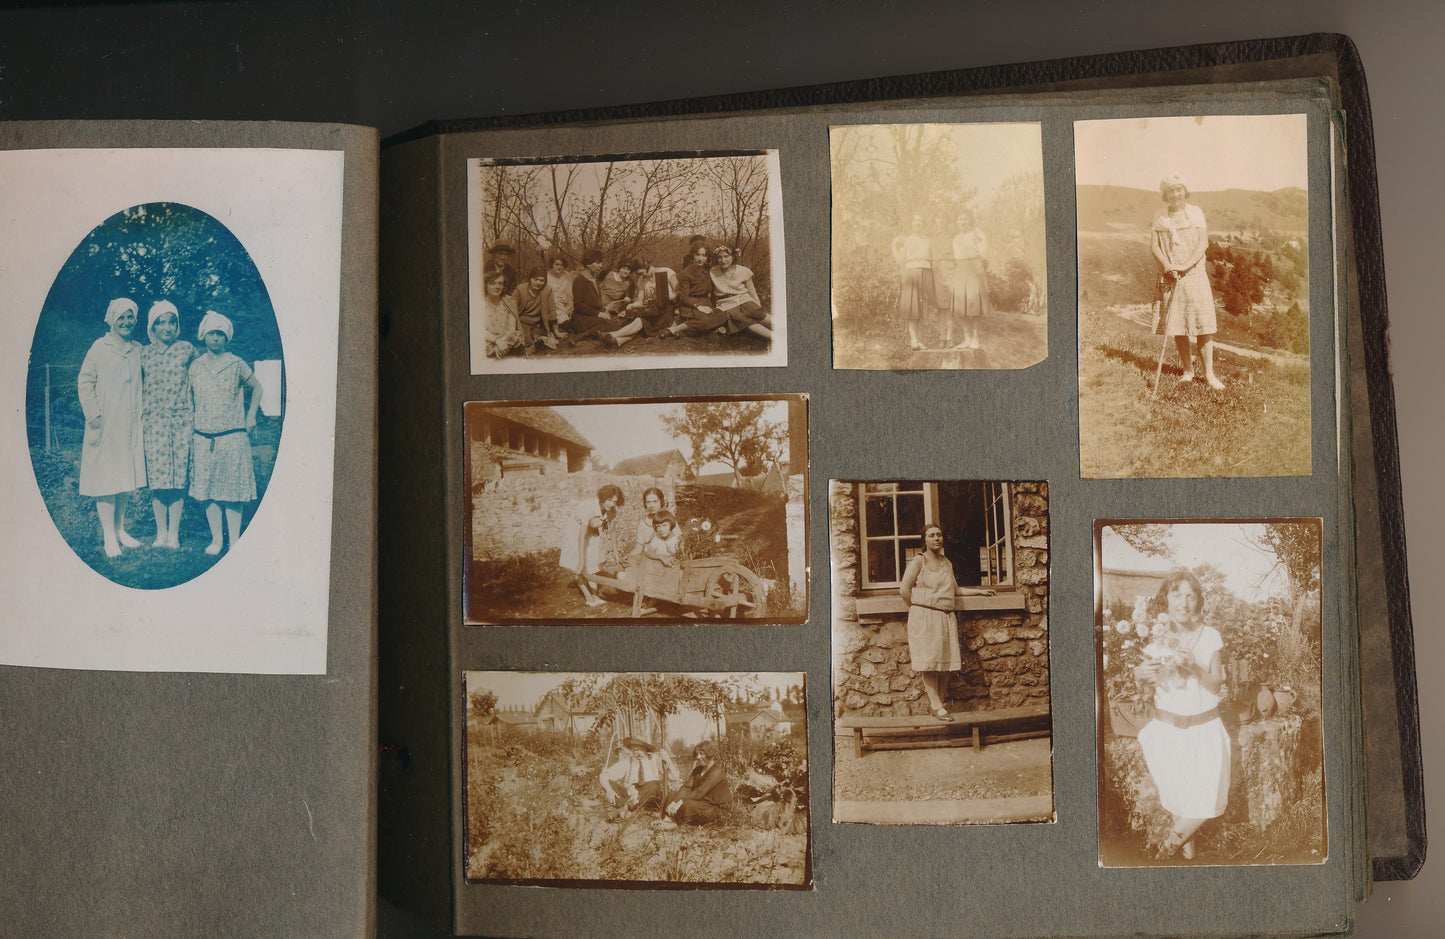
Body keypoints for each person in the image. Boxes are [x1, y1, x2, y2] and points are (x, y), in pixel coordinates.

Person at [1132, 570, 1231, 861]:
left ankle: (1164, 853)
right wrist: (1139, 675)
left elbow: (1216, 685)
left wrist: (1194, 668)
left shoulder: (1210, 637)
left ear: (1198, 601)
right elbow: (1147, 686)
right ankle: (1188, 859)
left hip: (1205, 730)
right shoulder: (1155, 638)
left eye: (1191, 596)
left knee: (1206, 800)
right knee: (1178, 799)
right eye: (1177, 595)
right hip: (1167, 732)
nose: (1183, 603)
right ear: (1166, 599)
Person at [899, 524, 996, 721]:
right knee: (929, 662)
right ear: (924, 540)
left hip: (946, 616)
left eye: (939, 535)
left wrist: (979, 591)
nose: (936, 538)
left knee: (945, 663)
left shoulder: (947, 563)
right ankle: (937, 706)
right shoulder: (919, 561)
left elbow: (955, 590)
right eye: (931, 535)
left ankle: (938, 705)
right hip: (924, 616)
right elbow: (904, 590)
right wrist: (918, 608)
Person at [188, 311, 263, 556]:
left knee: (232, 492)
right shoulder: (195, 366)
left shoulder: (236, 363)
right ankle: (216, 540)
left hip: (232, 437)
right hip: (203, 438)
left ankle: (235, 541)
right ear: (204, 335)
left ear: (227, 337)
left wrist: (251, 415)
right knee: (208, 491)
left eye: (220, 334)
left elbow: (257, 388)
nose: (216, 338)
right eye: (212, 333)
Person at [77, 297, 147, 558]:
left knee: (124, 477)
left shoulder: (138, 349)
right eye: (121, 318)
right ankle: (108, 534)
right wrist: (94, 415)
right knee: (106, 478)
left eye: (130, 317)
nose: (126, 322)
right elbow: (85, 381)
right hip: (105, 423)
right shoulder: (100, 347)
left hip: (130, 425)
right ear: (112, 320)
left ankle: (120, 529)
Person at [1153, 174, 1225, 389]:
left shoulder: (1195, 213)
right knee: (1178, 325)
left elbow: (1202, 243)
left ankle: (1209, 375)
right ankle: (1188, 371)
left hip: (1193, 273)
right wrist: (1167, 266)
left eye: (1179, 189)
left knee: (1203, 325)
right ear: (1165, 194)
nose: (1175, 194)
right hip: (1171, 275)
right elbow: (1154, 246)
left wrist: (1184, 266)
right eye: (1171, 190)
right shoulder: (1160, 215)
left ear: (1185, 191)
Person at [139, 300, 196, 549]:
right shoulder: (143, 353)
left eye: (171, 322)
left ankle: (174, 534)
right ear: (152, 327)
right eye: (161, 323)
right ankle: (160, 533)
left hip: (181, 421)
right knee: (158, 480)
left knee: (177, 480)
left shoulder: (187, 349)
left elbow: (200, 377)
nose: (167, 327)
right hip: (153, 423)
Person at [559, 483, 624, 607]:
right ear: (603, 498)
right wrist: (581, 560)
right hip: (576, 531)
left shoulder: (611, 511)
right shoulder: (587, 507)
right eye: (609, 500)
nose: (612, 504)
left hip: (592, 531)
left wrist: (617, 555)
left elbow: (613, 533)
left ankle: (595, 595)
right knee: (578, 563)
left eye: (615, 501)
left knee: (592, 562)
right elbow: (581, 537)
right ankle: (588, 597)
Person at [567, 250, 644, 346]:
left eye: (629, 269)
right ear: (589, 264)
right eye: (598, 263)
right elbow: (578, 305)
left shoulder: (592, 279)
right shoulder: (580, 280)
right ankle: (580, 336)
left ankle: (593, 333)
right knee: (613, 324)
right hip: (582, 318)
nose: (601, 266)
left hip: (595, 313)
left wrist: (603, 311)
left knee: (616, 322)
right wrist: (598, 313)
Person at [599, 737, 679, 818]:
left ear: (646, 750)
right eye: (636, 750)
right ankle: (629, 809)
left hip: (649, 795)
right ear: (631, 750)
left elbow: (675, 777)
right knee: (609, 783)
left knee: (654, 785)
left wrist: (668, 760)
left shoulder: (654, 759)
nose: (639, 753)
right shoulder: (627, 762)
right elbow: (603, 775)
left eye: (642, 750)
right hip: (631, 793)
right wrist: (609, 790)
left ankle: (627, 809)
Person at [664, 741, 732, 826]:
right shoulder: (697, 770)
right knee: (671, 795)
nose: (698, 757)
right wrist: (674, 801)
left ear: (710, 754)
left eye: (701, 754)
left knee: (687, 805)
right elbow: (686, 787)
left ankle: (675, 822)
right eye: (697, 754)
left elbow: (700, 792)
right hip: (700, 802)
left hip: (715, 807)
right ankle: (667, 819)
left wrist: (680, 801)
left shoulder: (717, 771)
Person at [951, 208, 991, 352]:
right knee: (961, 305)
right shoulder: (955, 238)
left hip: (974, 267)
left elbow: (984, 253)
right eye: (959, 219)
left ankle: (975, 338)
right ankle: (967, 338)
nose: (962, 222)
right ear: (956, 221)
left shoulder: (976, 234)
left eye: (965, 219)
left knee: (974, 304)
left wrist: (983, 238)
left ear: (969, 221)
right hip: (960, 269)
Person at [891, 212, 933, 350]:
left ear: (923, 224)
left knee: (920, 308)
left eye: (920, 221)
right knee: (911, 306)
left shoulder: (927, 240)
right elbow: (901, 260)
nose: (917, 223)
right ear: (911, 224)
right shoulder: (906, 240)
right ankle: (913, 340)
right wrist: (894, 246)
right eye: (915, 221)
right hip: (911, 272)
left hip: (925, 272)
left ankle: (918, 340)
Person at [668, 242, 715, 335]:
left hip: (706, 303)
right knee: (706, 320)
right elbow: (683, 297)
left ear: (707, 257)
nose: (700, 258)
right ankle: (675, 329)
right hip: (690, 306)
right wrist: (699, 306)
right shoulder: (686, 273)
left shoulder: (709, 270)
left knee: (722, 316)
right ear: (693, 255)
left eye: (704, 255)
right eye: (698, 255)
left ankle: (687, 327)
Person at [477, 271, 523, 360]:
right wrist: (497, 341)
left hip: (507, 340)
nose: (497, 287)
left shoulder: (509, 302)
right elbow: (479, 329)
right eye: (493, 283)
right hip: (488, 341)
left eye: (500, 283)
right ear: (486, 285)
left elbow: (512, 327)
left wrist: (502, 341)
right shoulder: (479, 303)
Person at [513, 266, 559, 354]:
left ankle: (539, 338)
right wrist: (519, 327)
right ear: (530, 279)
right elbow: (512, 311)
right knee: (526, 340)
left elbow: (552, 310)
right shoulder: (520, 290)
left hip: (538, 323)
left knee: (548, 336)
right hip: (521, 322)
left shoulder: (547, 290)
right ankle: (533, 342)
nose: (538, 283)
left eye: (542, 280)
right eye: (535, 279)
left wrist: (556, 330)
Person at [929, 210, 957, 346]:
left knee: (950, 306)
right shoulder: (930, 237)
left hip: (950, 269)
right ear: (935, 221)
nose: (941, 220)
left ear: (947, 221)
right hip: (937, 271)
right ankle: (941, 337)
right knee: (941, 307)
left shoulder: (952, 237)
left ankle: (949, 338)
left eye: (943, 218)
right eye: (938, 218)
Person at [545, 255, 575, 329]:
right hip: (550, 305)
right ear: (552, 265)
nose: (559, 267)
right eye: (557, 264)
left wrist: (569, 307)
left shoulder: (567, 276)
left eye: (562, 265)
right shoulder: (546, 276)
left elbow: (570, 294)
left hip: (564, 305)